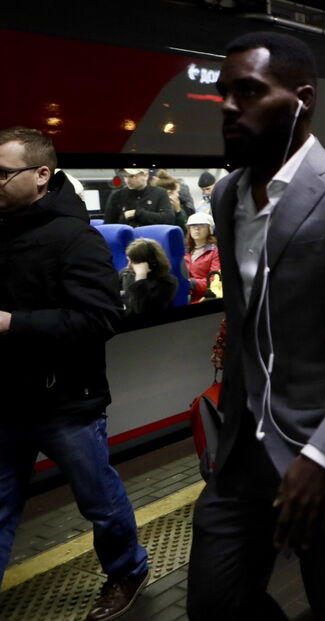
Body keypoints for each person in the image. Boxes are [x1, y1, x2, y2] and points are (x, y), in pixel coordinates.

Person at [186, 32, 325, 621]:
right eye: (224, 94)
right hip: (239, 463)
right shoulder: (229, 197)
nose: (230, 106)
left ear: (301, 99)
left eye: (250, 92)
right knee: (214, 603)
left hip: (322, 463)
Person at [0, 126, 149, 621]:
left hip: (66, 400)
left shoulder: (74, 237)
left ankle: (127, 568)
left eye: (3, 173)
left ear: (41, 175)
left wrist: (13, 323)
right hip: (7, 396)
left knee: (98, 501)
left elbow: (100, 319)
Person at [120, 237, 178, 314]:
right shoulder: (127, 273)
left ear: (150, 263)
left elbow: (142, 310)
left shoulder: (167, 283)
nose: (128, 266)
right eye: (129, 260)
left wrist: (140, 278)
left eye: (134, 262)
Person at [103, 168, 173, 226]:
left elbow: (168, 218)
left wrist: (136, 213)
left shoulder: (159, 193)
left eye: (132, 176)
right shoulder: (117, 196)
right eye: (125, 176)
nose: (127, 180)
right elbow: (108, 224)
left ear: (145, 175)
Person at [184, 212, 221, 303]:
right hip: (185, 298)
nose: (197, 228)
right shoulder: (184, 251)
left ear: (209, 229)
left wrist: (193, 283)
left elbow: (214, 280)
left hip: (205, 299)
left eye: (201, 225)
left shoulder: (215, 252)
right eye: (193, 226)